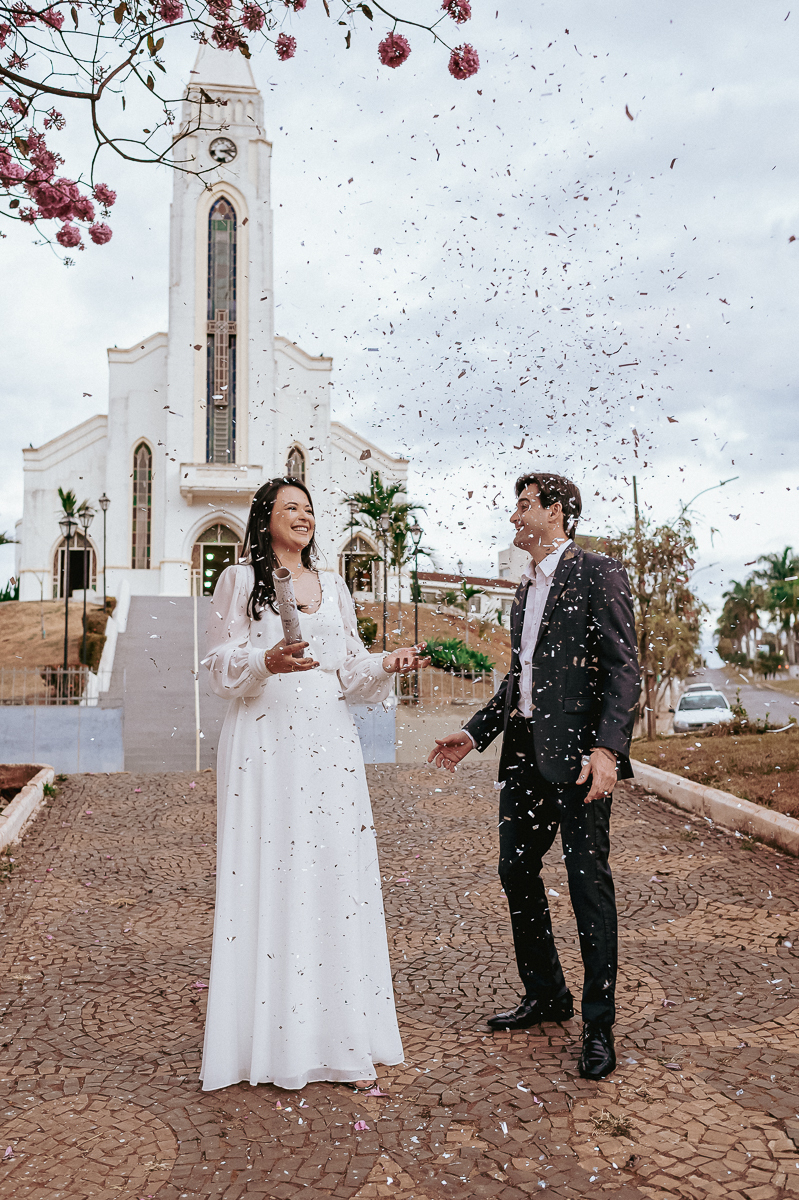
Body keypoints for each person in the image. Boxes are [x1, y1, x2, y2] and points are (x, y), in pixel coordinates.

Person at [200, 476, 429, 1092]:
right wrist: (262, 660)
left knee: (332, 872)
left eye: (308, 509)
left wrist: (386, 662)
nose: (302, 517)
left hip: (328, 742)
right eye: (289, 508)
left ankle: (339, 1036)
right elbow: (218, 665)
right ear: (265, 517)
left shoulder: (334, 588)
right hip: (264, 741)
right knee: (271, 873)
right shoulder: (240, 581)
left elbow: (349, 670)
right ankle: (267, 1043)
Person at [428, 473, 640, 1080]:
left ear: (556, 511)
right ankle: (548, 994)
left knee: (586, 884)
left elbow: (625, 669)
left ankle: (599, 1027)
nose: (514, 514)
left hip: (576, 761)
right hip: (522, 755)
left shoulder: (597, 572)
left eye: (523, 505)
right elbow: (519, 685)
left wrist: (606, 749)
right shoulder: (524, 593)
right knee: (515, 869)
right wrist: (473, 733)